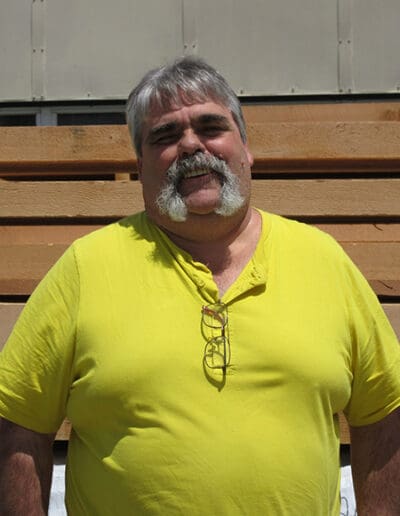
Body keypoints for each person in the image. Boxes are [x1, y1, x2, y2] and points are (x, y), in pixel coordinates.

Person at [0, 56, 399, 515]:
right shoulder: (83, 269)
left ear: (246, 148)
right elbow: (19, 427)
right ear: (141, 163)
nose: (190, 146)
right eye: (165, 136)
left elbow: (384, 415)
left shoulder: (324, 261)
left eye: (210, 127)